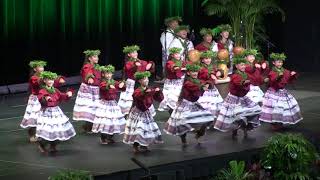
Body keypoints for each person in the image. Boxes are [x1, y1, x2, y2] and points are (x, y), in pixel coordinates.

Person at [164, 64, 214, 145]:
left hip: (194, 104)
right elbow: (195, 87)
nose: (195, 73)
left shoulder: (198, 81)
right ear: (188, 73)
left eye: (196, 71)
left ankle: (199, 133)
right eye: (193, 71)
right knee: (182, 123)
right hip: (185, 105)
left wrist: (208, 83)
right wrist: (203, 87)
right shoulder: (187, 83)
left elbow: (205, 84)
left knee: (209, 118)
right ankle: (184, 138)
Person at [214, 56, 261, 139]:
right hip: (234, 99)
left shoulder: (245, 74)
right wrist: (244, 82)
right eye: (241, 65)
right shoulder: (235, 75)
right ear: (236, 66)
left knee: (255, 110)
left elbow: (254, 79)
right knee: (236, 116)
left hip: (243, 98)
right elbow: (238, 83)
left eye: (244, 65)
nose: (243, 66)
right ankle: (236, 129)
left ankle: (246, 128)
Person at [259, 53, 302, 130]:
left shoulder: (285, 71)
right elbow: (272, 81)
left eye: (281, 62)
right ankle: (274, 123)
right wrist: (278, 77)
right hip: (274, 91)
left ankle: (280, 122)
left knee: (283, 107)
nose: (280, 64)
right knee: (275, 108)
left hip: (282, 91)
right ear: (273, 63)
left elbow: (289, 80)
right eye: (278, 62)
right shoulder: (272, 72)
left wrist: (292, 75)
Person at [123, 71, 164, 153]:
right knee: (139, 129)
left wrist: (158, 91)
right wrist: (147, 92)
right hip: (138, 112)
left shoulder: (149, 89)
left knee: (146, 129)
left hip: (146, 112)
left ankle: (144, 145)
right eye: (144, 79)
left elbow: (159, 99)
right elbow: (139, 96)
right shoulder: (137, 91)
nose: (146, 80)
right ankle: (135, 145)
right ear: (139, 81)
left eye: (147, 78)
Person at [36, 71, 76, 154]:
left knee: (57, 130)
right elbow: (41, 98)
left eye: (52, 80)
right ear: (44, 80)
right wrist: (46, 98)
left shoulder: (55, 90)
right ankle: (42, 145)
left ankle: (53, 146)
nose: (51, 81)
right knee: (48, 130)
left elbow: (62, 96)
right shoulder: (42, 91)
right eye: (48, 80)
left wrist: (68, 94)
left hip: (56, 112)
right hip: (47, 112)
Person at [92, 65, 126, 144]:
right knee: (105, 121)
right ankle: (103, 137)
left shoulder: (113, 81)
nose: (109, 75)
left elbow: (118, 85)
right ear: (103, 74)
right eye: (107, 74)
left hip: (113, 104)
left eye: (110, 73)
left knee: (113, 120)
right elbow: (103, 87)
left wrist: (122, 85)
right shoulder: (102, 82)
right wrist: (108, 86)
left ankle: (110, 137)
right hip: (105, 104)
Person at [118, 45, 155, 116]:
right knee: (130, 101)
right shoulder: (128, 63)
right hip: (131, 83)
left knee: (141, 98)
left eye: (136, 52)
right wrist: (135, 65)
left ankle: (139, 113)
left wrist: (150, 64)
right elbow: (130, 68)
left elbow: (146, 67)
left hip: (140, 83)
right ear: (129, 54)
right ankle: (129, 115)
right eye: (133, 52)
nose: (135, 54)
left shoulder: (141, 62)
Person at [73, 50, 101, 133]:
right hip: (88, 89)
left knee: (95, 108)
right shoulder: (87, 66)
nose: (97, 58)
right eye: (95, 57)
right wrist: (90, 78)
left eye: (97, 56)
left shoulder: (97, 66)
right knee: (89, 108)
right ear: (89, 58)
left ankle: (90, 126)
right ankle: (88, 126)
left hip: (95, 89)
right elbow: (87, 73)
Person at [158, 47, 186, 113]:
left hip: (180, 83)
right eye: (176, 54)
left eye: (179, 54)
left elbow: (187, 66)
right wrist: (177, 68)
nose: (178, 55)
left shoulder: (182, 62)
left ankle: (177, 112)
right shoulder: (169, 62)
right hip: (171, 83)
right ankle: (172, 112)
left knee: (179, 98)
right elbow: (172, 67)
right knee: (171, 98)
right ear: (172, 55)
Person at [197, 50, 223, 118]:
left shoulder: (212, 66)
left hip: (212, 88)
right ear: (202, 60)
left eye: (209, 58)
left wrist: (220, 72)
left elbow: (217, 70)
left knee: (215, 104)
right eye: (206, 58)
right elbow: (205, 74)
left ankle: (212, 118)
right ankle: (206, 119)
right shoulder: (200, 68)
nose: (208, 60)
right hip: (204, 89)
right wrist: (212, 75)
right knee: (206, 105)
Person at [158, 16, 182, 82]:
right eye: (174, 23)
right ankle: (167, 79)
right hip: (169, 54)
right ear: (169, 24)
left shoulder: (174, 33)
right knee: (168, 66)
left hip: (176, 54)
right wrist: (171, 55)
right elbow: (167, 47)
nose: (176, 25)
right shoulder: (166, 34)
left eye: (177, 23)